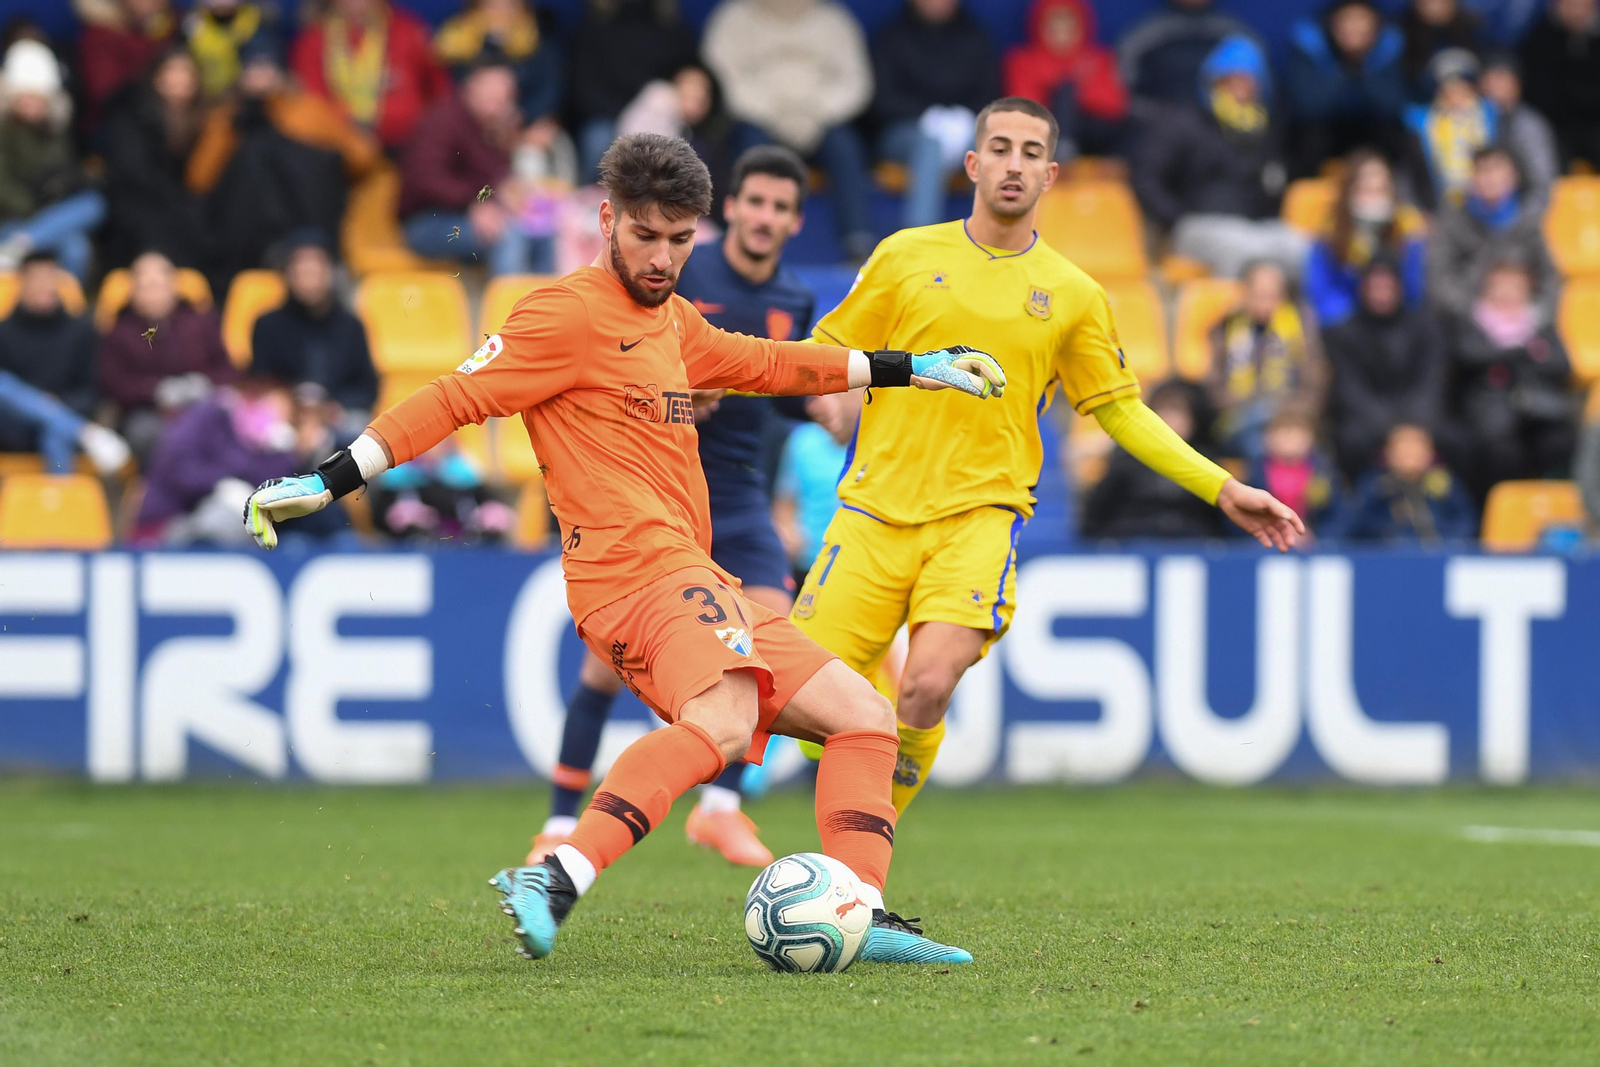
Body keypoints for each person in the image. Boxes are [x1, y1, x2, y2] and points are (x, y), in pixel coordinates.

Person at [243, 132, 1009, 965]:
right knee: (721, 723)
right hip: (632, 573)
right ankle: (556, 872)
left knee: (863, 717)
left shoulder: (674, 319)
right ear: (607, 219)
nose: (663, 257)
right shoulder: (561, 313)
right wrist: (329, 480)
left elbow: (767, 362)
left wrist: (909, 367)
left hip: (689, 571)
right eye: (646, 235)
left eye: (681, 240)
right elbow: (455, 397)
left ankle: (861, 909)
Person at [794, 96, 1301, 819]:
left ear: (1052, 175)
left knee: (926, 686)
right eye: (999, 148)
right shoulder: (905, 256)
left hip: (979, 517)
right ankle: (854, 810)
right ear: (972, 164)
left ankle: (858, 874)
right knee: (809, 709)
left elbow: (1119, 409)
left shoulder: (1073, 293)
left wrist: (1221, 487)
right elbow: (828, 350)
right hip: (872, 511)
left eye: (1031, 153)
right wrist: (836, 394)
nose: (1013, 164)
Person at [526, 145, 817, 870]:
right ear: (732, 210)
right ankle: (559, 823)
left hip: (740, 491)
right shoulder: (679, 271)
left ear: (794, 222)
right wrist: (679, 391)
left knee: (769, 642)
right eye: (756, 201)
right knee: (603, 671)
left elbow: (778, 392)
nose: (766, 216)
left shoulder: (794, 299)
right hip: (653, 493)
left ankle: (721, 810)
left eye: (781, 207)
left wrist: (821, 417)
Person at [187, 36, 381, 290]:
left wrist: (298, 145)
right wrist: (230, 132)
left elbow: (364, 158)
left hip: (308, 227)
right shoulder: (227, 116)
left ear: (281, 73)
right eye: (253, 69)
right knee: (253, 155)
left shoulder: (307, 110)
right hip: (241, 240)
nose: (260, 78)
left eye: (267, 68)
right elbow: (199, 180)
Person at [702, 0, 876, 263]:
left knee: (846, 146)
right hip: (758, 121)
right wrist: (775, 113)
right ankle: (743, 240)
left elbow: (856, 81)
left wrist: (817, 111)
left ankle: (857, 240)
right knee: (751, 150)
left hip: (820, 122)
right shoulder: (734, 18)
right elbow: (719, 78)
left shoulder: (834, 20)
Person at [1131, 35, 1307, 280]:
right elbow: (1146, 176)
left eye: (1246, 82)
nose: (1239, 89)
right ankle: (1235, 317)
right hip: (1198, 225)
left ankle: (1294, 318)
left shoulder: (1264, 128)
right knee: (1246, 254)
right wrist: (1177, 218)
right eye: (1229, 81)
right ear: (1212, 83)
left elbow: (1276, 180)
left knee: (1306, 253)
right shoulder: (1183, 123)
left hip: (1256, 225)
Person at [134, 377, 337, 545]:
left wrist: (294, 455)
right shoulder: (208, 415)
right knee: (226, 518)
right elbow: (179, 470)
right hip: (164, 526)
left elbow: (263, 483)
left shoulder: (270, 447)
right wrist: (219, 483)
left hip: (225, 525)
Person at [400, 56, 550, 275]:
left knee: (542, 232)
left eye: (504, 97)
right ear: (471, 87)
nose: (498, 103)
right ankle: (512, 307)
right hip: (427, 221)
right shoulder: (443, 120)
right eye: (491, 94)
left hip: (468, 214)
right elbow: (425, 179)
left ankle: (548, 306)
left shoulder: (493, 126)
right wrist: (472, 205)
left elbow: (490, 179)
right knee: (506, 236)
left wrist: (507, 186)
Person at [1445, 254, 1577, 499]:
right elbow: (1468, 357)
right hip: (1489, 413)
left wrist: (1504, 359)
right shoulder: (1471, 322)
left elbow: (1562, 364)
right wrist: (1526, 354)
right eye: (1501, 284)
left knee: (1560, 442)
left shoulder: (1543, 323)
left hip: (1538, 410)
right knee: (1500, 450)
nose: (1508, 292)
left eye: (1515, 285)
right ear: (1487, 288)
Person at [0, 251, 130, 475]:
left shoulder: (82, 331)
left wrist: (57, 406)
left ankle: (58, 502)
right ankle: (83, 432)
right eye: (37, 277)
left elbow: (92, 389)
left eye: (51, 276)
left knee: (54, 430)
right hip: (12, 426)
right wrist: (47, 406)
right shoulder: (3, 332)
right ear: (22, 283)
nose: (45, 285)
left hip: (63, 418)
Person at [875, 0, 1001, 230]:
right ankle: (920, 243)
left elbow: (990, 93)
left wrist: (964, 117)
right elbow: (882, 98)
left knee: (988, 145)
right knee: (931, 145)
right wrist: (927, 117)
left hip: (966, 127)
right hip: (905, 130)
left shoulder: (975, 35)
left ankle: (995, 238)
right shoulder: (893, 35)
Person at [99, 250, 236, 458]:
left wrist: (201, 385)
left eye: (159, 286)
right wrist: (154, 390)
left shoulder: (201, 322)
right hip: (148, 412)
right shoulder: (119, 331)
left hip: (202, 404)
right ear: (133, 291)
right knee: (147, 433)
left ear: (174, 287)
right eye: (145, 287)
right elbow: (114, 382)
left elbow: (227, 369)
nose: (153, 294)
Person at [1323, 255, 1446, 482]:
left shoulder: (1426, 327)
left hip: (1419, 417)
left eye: (1387, 286)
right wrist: (1391, 430)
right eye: (1374, 287)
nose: (1381, 293)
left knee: (1458, 441)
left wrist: (1412, 425)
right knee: (1351, 441)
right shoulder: (1344, 332)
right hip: (1368, 420)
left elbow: (1430, 380)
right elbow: (1350, 388)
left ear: (1400, 288)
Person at [249, 230, 378, 439]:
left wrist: (334, 408)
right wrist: (296, 408)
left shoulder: (351, 326)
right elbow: (260, 381)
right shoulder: (267, 325)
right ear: (288, 274)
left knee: (362, 438)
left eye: (316, 268)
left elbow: (367, 387)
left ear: (330, 272)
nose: (309, 277)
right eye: (301, 269)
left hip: (337, 417)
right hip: (287, 417)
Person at [0, 40, 106, 281]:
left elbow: (68, 169)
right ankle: (22, 241)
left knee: (92, 208)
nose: (31, 104)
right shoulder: (4, 132)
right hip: (15, 216)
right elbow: (3, 185)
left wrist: (66, 185)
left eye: (37, 98)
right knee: (75, 242)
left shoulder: (56, 131)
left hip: (53, 214)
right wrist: (34, 204)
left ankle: (21, 245)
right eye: (24, 97)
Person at [100, 47, 209, 271]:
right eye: (171, 71)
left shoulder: (204, 118)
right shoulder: (134, 113)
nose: (178, 79)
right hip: (135, 201)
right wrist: (181, 200)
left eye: (185, 72)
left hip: (180, 200)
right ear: (156, 78)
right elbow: (132, 172)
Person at [290, 0, 450, 151]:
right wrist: (352, 129)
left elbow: (440, 95)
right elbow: (314, 103)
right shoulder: (313, 41)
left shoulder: (410, 32)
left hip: (407, 145)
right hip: (344, 149)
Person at [1206, 260, 1323, 463]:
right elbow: (1213, 386)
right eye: (1258, 296)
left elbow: (1315, 384)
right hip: (1238, 420)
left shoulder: (1302, 329)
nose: (1265, 304)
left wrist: (1287, 420)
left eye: (1272, 297)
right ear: (1245, 295)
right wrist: (1248, 409)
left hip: (1290, 420)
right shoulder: (1225, 327)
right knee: (1255, 447)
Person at [1427, 144, 1559, 323]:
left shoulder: (1529, 225)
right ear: (1471, 178)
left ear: (1513, 176)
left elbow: (1550, 280)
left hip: (1525, 324)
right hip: (1467, 326)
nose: (1491, 178)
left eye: (1497, 169)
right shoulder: (1451, 223)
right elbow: (1440, 282)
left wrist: (1533, 314)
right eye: (1483, 170)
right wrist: (1480, 313)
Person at [568, 0, 698, 181]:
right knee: (597, 139)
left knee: (691, 144)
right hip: (609, 118)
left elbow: (687, 77)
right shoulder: (594, 28)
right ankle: (593, 204)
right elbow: (584, 87)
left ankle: (670, 207)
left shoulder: (673, 29)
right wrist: (627, 118)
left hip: (662, 117)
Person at [1081, 380, 1226, 541]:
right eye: (1164, 410)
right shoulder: (1125, 461)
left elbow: (1218, 523)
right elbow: (1096, 516)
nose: (1171, 420)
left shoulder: (1208, 462)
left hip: (1191, 545)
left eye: (1178, 411)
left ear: (1192, 419)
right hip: (1134, 544)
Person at [1303, 150, 1428, 328]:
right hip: (1346, 328)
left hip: (1395, 328)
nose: (1373, 199)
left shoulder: (1408, 232)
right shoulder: (1329, 234)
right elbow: (1321, 292)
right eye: (1365, 191)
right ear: (1349, 192)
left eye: (1381, 191)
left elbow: (1414, 293)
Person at [1283, 0, 1407, 176]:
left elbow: (1392, 105)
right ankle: (1308, 189)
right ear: (1332, 22)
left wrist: (1363, 62)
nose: (1354, 27)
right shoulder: (1309, 42)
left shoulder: (1390, 43)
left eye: (1362, 19)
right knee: (1307, 134)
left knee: (1394, 131)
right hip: (1326, 131)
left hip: (1370, 129)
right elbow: (1307, 106)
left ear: (1376, 23)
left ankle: (1386, 186)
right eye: (1347, 19)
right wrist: (1344, 65)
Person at [1002, 0, 1126, 162]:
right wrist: (1063, 81)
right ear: (1038, 25)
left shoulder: (1098, 59)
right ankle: (1063, 151)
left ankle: (1066, 150)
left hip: (1091, 135)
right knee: (1062, 96)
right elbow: (1024, 108)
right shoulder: (1021, 60)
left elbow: (1113, 106)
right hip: (1041, 135)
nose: (1062, 34)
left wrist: (1073, 88)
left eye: (1069, 26)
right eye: (1054, 27)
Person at [774, 388, 863, 580]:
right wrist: (788, 531)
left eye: (835, 395)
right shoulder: (803, 440)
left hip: (859, 565)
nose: (814, 406)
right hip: (809, 563)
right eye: (811, 399)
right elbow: (785, 502)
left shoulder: (879, 446)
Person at [1336, 422, 1475, 542]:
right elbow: (1355, 522)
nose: (1409, 456)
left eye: (1416, 449)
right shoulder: (1375, 485)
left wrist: (1447, 539)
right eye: (1403, 450)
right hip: (1386, 557)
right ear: (1388, 454)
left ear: (1430, 454)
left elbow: (1466, 521)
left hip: (1437, 553)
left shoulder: (1444, 484)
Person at [433, 0, 562, 127]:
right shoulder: (456, 39)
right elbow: (443, 89)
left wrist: (525, 116)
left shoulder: (535, 38)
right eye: (491, 4)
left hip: (522, 126)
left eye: (509, 4)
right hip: (467, 125)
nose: (500, 8)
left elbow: (548, 89)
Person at [1115, 0, 1259, 111]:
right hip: (1159, 129)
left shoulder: (1239, 38)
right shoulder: (1142, 37)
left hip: (1226, 131)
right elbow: (1122, 94)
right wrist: (1155, 113)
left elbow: (1262, 99)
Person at [1401, 48, 1497, 210]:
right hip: (1439, 209)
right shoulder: (1420, 123)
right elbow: (1409, 174)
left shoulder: (1496, 116)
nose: (1455, 94)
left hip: (1488, 206)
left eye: (1462, 86)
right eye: (1448, 88)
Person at [1517, 0, 1600, 172]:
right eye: (1569, 4)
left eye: (1581, 4)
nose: (1575, 10)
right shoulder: (1538, 39)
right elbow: (1538, 92)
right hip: (1556, 124)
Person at [73, 0, 177, 133]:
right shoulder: (99, 37)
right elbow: (106, 95)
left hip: (166, 118)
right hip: (113, 126)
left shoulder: (167, 25)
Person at [1248, 401, 1339, 538]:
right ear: (1267, 439)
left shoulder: (1324, 472)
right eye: (1283, 433)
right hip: (1264, 541)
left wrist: (1317, 538)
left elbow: (1337, 514)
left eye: (1296, 434)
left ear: (1310, 439)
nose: (1289, 441)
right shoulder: (1254, 472)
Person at [1478, 54, 1558, 209]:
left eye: (1499, 78)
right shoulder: (1484, 119)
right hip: (1491, 213)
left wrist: (1516, 222)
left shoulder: (1528, 125)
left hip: (1522, 217)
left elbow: (1542, 186)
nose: (1491, 84)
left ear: (1516, 83)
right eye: (1487, 78)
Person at [184, 0, 274, 100]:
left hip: (242, 94)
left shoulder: (258, 20)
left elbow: (262, 57)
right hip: (200, 93)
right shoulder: (191, 22)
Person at [1399, 0, 1487, 101]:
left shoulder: (1476, 28)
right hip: (1425, 107)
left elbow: (1490, 68)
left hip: (1476, 104)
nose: (1435, 5)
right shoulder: (1403, 35)